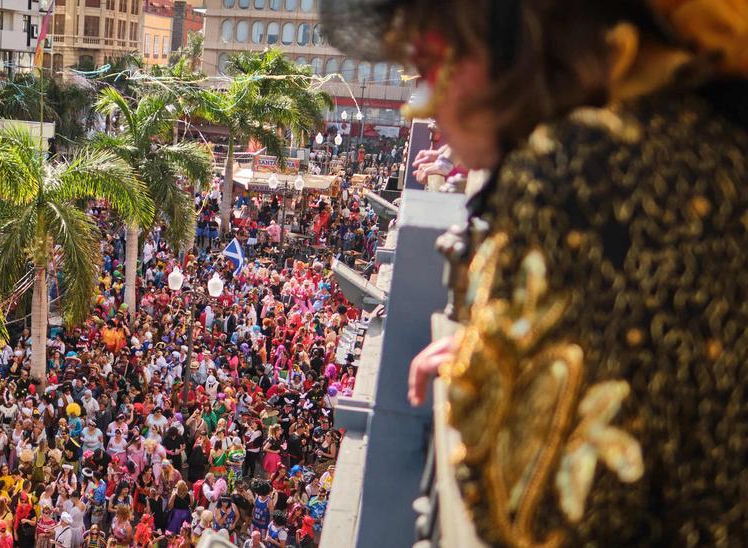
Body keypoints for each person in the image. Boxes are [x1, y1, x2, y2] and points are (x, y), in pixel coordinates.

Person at [317, 0, 748, 545]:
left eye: (428, 62)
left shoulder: (570, 171)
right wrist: (508, 351)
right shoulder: (699, 133)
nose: (420, 108)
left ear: (502, 40)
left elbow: (523, 511)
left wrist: (486, 389)